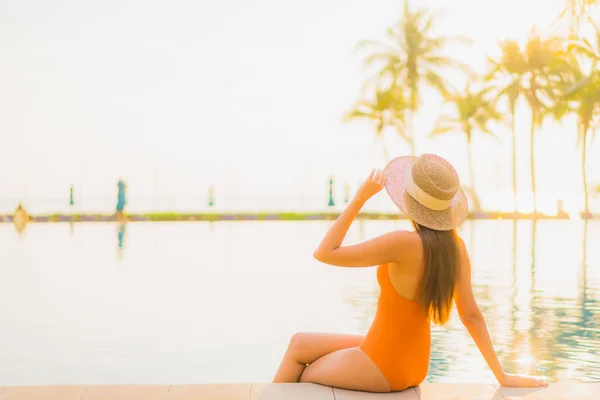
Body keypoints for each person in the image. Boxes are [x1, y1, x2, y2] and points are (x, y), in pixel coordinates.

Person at [273, 154, 547, 392]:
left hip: (381, 364)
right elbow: (471, 315)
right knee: (300, 344)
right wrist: (502, 375)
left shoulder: (402, 243)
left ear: (407, 199)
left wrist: (360, 197)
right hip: (415, 365)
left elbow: (325, 252)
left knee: (304, 373)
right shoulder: (456, 249)